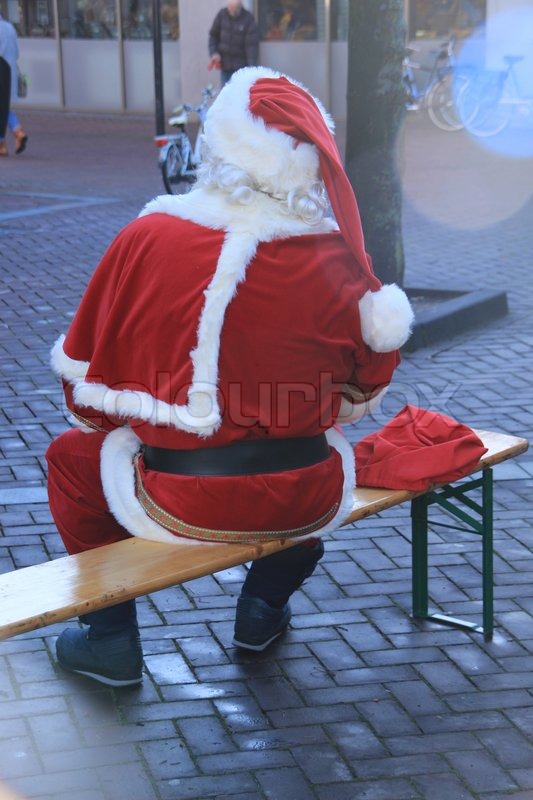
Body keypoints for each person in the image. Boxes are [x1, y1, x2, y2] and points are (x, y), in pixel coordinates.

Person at [46, 66, 414, 687]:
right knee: (310, 457)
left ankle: (109, 640)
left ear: (218, 147)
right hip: (306, 497)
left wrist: (161, 414)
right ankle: (263, 607)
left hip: (176, 500)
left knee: (70, 458)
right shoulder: (338, 257)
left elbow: (85, 402)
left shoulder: (148, 236)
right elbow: (362, 395)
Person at [208, 1, 259, 86]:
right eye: (229, 8)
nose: (230, 12)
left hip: (241, 68)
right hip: (225, 66)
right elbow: (213, 36)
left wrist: (251, 68)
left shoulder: (248, 19)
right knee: (226, 93)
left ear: (239, 8)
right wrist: (214, 53)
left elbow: (251, 46)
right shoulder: (222, 15)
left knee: (240, 94)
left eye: (233, 10)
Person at [0, 13, 27, 157]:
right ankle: (18, 132)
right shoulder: (10, 28)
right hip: (9, 72)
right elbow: (17, 53)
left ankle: (2, 144)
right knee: (3, 107)